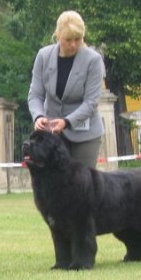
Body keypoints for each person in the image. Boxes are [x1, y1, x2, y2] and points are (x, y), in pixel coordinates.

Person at [27, 10, 105, 168]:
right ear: (57, 35)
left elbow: (91, 102)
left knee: (82, 187)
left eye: (78, 39)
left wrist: (67, 121)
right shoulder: (43, 56)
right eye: (68, 40)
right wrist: (38, 116)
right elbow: (35, 95)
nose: (73, 45)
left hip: (85, 134)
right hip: (53, 134)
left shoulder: (94, 60)